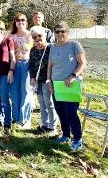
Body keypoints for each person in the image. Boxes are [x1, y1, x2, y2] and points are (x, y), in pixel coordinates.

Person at [47, 21, 86, 151]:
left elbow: (82, 63)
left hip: (71, 85)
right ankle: (65, 135)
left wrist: (73, 76)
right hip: (56, 86)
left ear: (67, 32)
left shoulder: (74, 45)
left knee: (71, 113)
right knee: (61, 112)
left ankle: (78, 139)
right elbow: (50, 66)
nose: (60, 34)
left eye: (62, 31)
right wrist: (49, 81)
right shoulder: (53, 47)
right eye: (57, 31)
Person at [29, 26, 58, 133]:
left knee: (49, 103)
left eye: (39, 35)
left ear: (45, 35)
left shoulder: (51, 48)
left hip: (48, 80)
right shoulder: (33, 50)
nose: (37, 38)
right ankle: (45, 125)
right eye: (34, 37)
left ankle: (52, 127)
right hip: (38, 81)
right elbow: (31, 65)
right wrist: (32, 77)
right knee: (41, 103)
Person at [9, 13, 34, 129]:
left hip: (26, 65)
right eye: (18, 20)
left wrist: (19, 48)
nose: (20, 22)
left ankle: (25, 120)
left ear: (26, 21)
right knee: (14, 93)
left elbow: (27, 48)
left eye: (23, 20)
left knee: (26, 92)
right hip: (13, 65)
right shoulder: (10, 35)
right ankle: (16, 118)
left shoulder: (30, 34)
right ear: (15, 22)